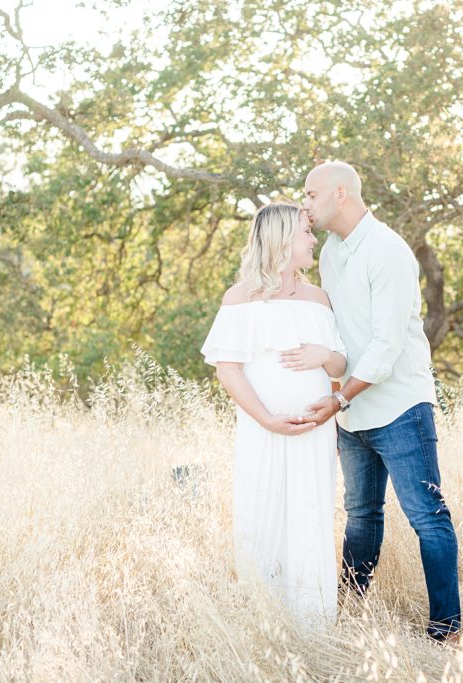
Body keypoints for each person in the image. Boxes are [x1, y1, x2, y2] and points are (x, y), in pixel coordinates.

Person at [299, 161, 462, 642]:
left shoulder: (388, 251)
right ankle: (350, 613)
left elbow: (387, 348)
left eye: (311, 194)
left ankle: (446, 629)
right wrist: (335, 397)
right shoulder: (329, 252)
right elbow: (334, 331)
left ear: (342, 194)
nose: (305, 203)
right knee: (361, 517)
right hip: (350, 409)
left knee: (428, 519)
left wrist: (339, 400)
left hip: (399, 407)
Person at [200, 202, 346, 628]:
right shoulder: (241, 298)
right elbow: (227, 368)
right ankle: (262, 622)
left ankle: (314, 623)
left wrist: (328, 356)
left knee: (311, 513)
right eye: (306, 232)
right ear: (283, 239)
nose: (313, 239)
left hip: (315, 430)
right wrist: (265, 418)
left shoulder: (319, 299)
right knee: (261, 512)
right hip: (262, 429)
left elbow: (339, 368)